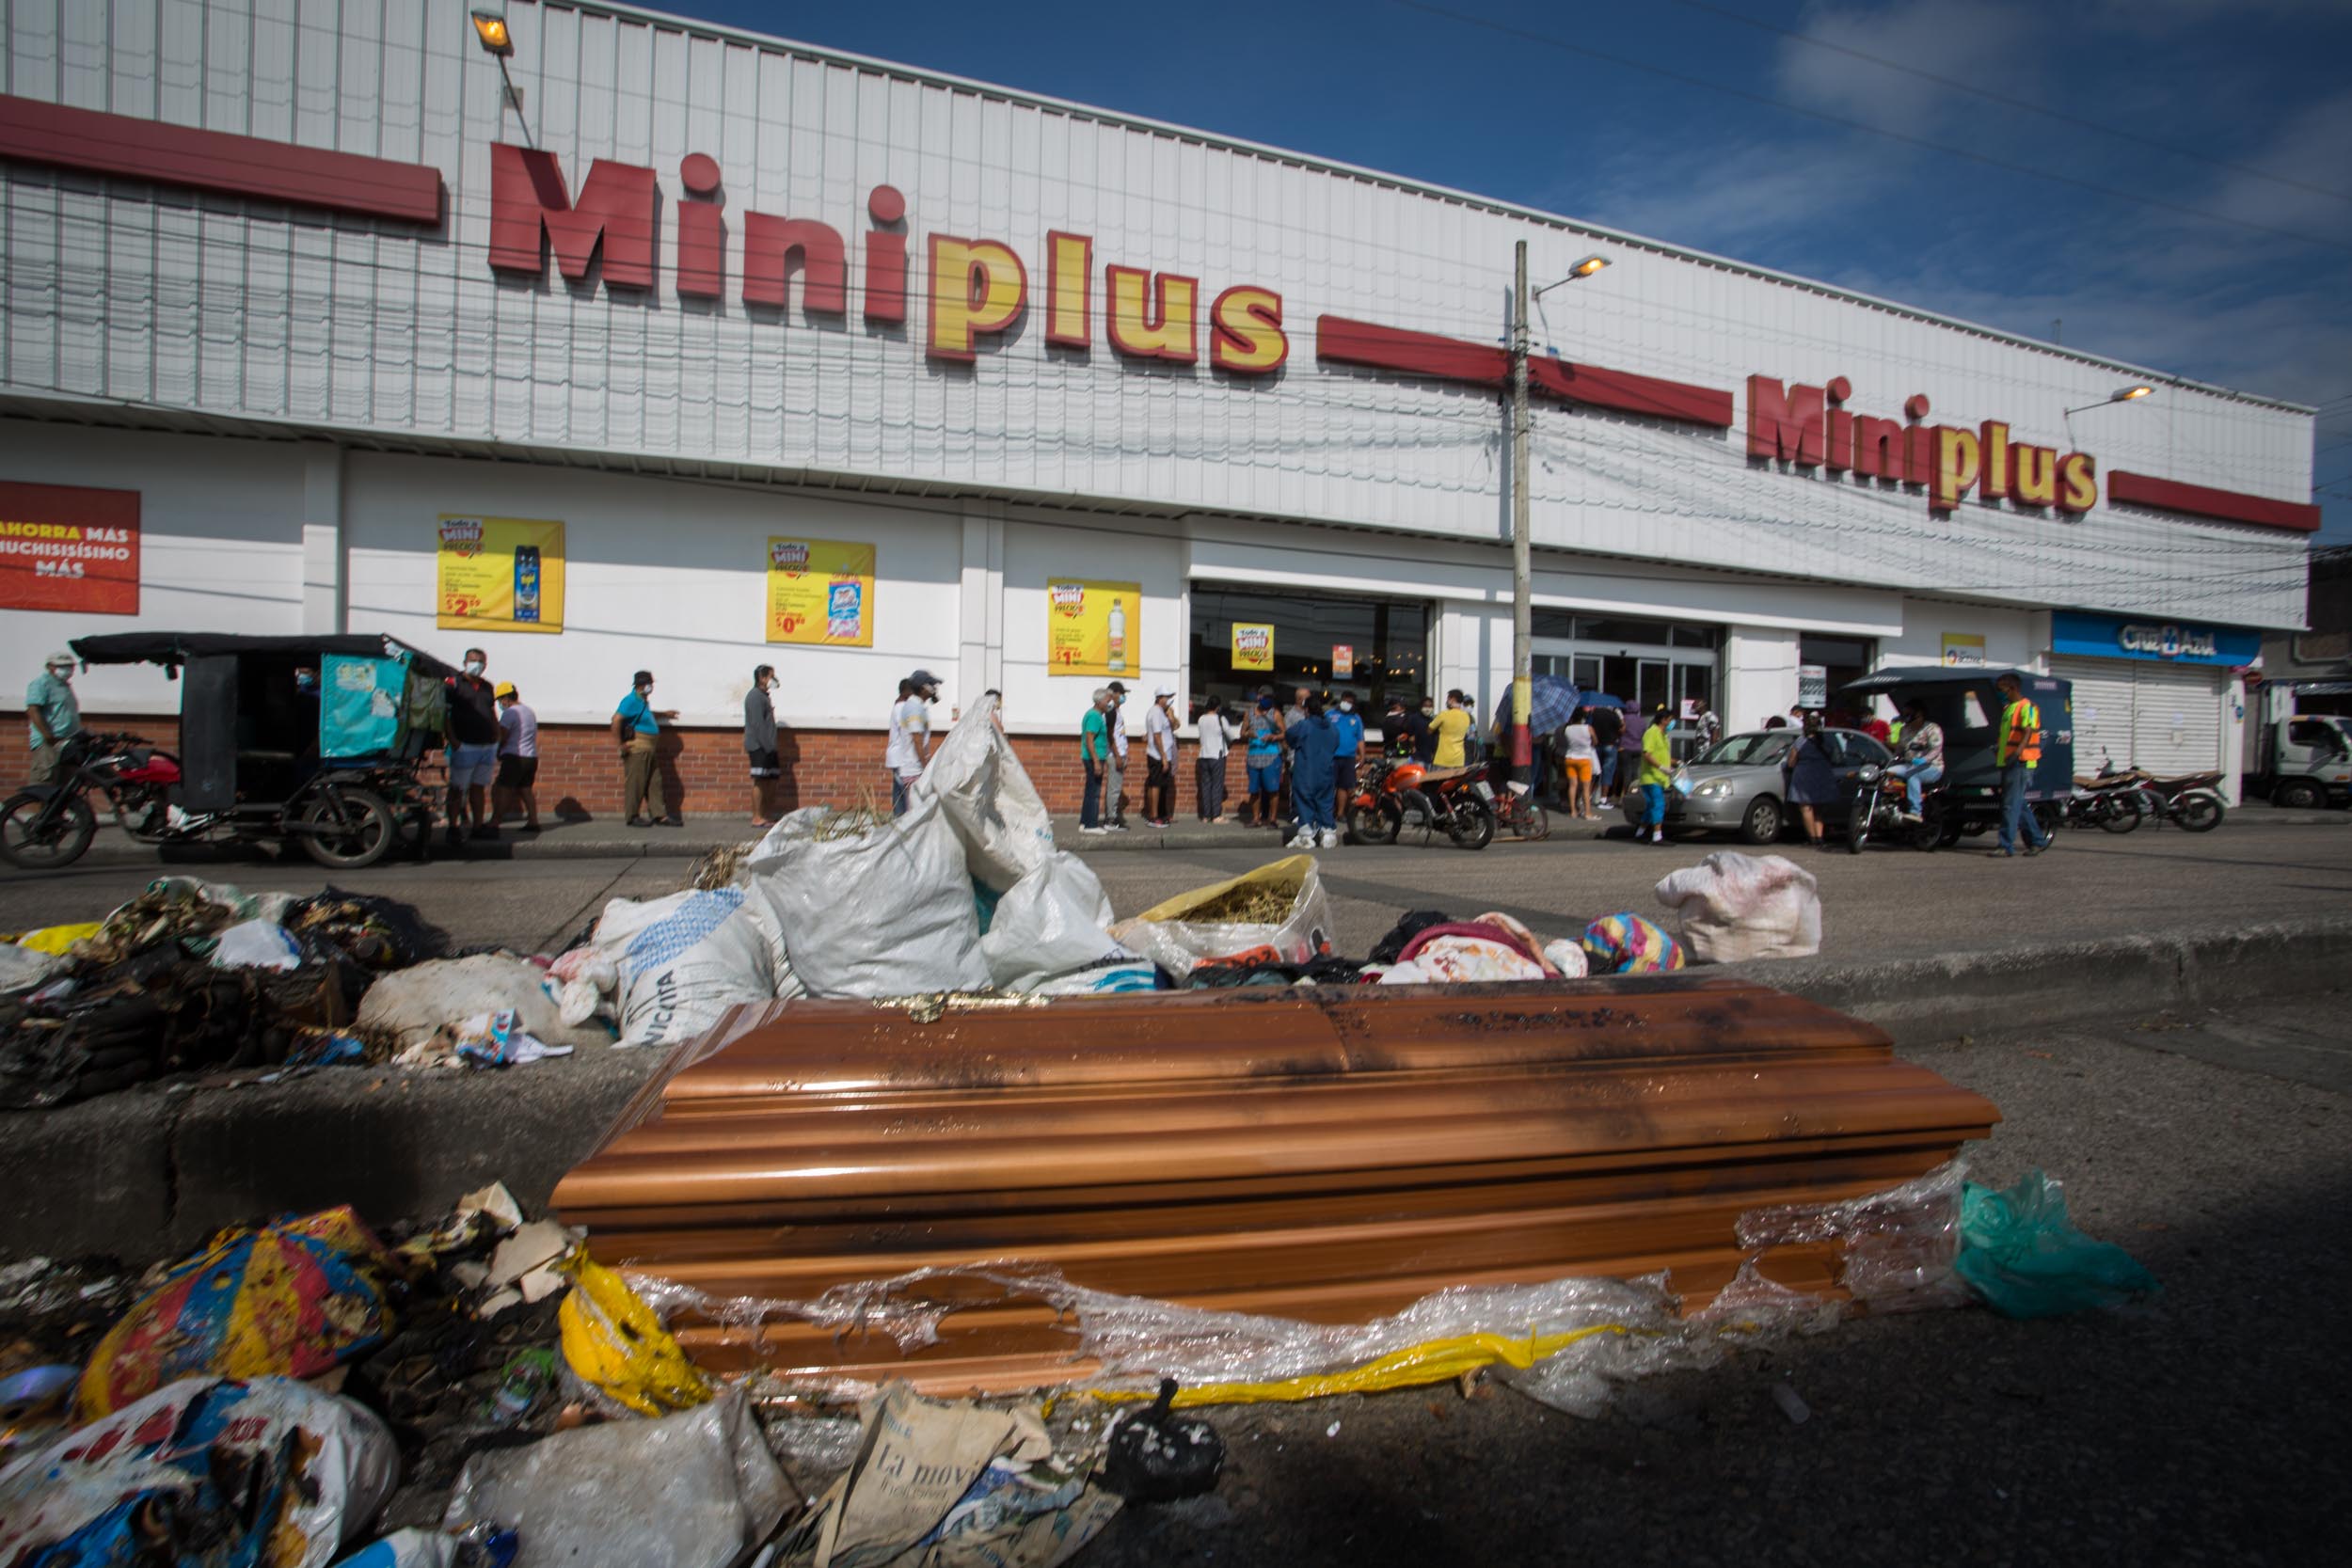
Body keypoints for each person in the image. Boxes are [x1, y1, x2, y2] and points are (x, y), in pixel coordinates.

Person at [444, 648, 500, 843]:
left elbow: (491, 712)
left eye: (480, 661)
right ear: (465, 662)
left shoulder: (487, 687)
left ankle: (477, 826)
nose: (477, 664)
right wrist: (454, 741)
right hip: (465, 744)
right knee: (458, 788)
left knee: (478, 787)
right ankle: (453, 826)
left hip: (486, 745)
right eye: (473, 660)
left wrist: (496, 734)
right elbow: (445, 715)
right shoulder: (454, 684)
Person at [1994, 672, 2051, 858]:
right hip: (2009, 762)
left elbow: (2028, 732)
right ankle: (2037, 840)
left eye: (2002, 689)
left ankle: (2005, 845)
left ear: (2013, 688)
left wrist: (2017, 753)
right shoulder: (2008, 708)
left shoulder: (2028, 707)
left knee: (2010, 805)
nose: (2000, 692)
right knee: (2018, 804)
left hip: (2021, 762)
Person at [614, 670, 681, 827]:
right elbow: (616, 720)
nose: (651, 687)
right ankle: (632, 816)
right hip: (637, 749)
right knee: (636, 783)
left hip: (650, 748)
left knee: (654, 782)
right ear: (641, 685)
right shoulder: (630, 701)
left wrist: (664, 714)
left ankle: (659, 815)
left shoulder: (642, 701)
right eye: (649, 684)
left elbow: (646, 715)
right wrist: (620, 744)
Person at [1285, 692, 1342, 849]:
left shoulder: (1305, 725)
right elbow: (1336, 743)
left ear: (1307, 710)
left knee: (1305, 801)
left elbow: (1289, 736)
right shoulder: (1332, 727)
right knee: (1325, 802)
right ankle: (1328, 834)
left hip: (1306, 771)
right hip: (1326, 772)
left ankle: (1306, 835)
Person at [1778, 712, 1839, 848]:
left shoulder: (1801, 741)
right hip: (1823, 774)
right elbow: (1835, 757)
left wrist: (1791, 766)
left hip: (1804, 775)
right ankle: (1819, 837)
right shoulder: (1827, 741)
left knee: (1806, 807)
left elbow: (1791, 762)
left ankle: (1812, 838)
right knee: (1819, 808)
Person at [886, 670, 941, 816]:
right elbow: (916, 739)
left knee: (915, 812)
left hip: (914, 767)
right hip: (914, 769)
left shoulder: (917, 706)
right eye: (931, 686)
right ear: (923, 688)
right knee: (914, 815)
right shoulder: (914, 708)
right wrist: (925, 767)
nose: (934, 689)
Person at [24, 651, 80, 784]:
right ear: (49, 666)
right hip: (49, 743)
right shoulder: (41, 683)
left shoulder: (65, 686)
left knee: (65, 786)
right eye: (62, 666)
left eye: (70, 666)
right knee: (44, 784)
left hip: (66, 743)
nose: (67, 669)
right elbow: (33, 710)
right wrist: (48, 736)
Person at [492, 681, 541, 832]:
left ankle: (495, 821)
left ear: (506, 698)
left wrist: (497, 750)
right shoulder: (529, 711)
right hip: (531, 757)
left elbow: (503, 735)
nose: (500, 704)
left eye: (500, 700)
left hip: (515, 756)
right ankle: (533, 821)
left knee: (503, 788)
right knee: (526, 789)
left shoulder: (510, 713)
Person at [1886, 699, 1945, 820]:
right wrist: (1890, 762)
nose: (1906, 717)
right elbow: (1899, 750)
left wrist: (1924, 759)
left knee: (1913, 775)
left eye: (1909, 714)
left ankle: (1916, 812)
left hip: (1931, 767)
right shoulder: (1904, 730)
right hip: (1909, 765)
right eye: (1904, 714)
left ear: (1919, 714)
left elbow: (1936, 749)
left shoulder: (1932, 728)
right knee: (1885, 773)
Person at [744, 664, 782, 827]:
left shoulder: (763, 696)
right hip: (760, 747)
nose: (774, 680)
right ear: (763, 678)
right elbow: (758, 725)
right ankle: (757, 817)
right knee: (760, 781)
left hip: (770, 747)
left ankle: (766, 815)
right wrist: (767, 747)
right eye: (771, 677)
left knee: (771, 781)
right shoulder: (754, 697)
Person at [1636, 703, 1675, 846]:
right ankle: (1657, 836)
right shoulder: (1652, 733)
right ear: (1663, 720)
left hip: (1658, 777)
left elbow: (1662, 755)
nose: (1671, 723)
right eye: (1670, 720)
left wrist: (1676, 762)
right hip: (1651, 777)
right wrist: (1661, 767)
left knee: (1651, 806)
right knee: (1659, 804)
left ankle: (1640, 833)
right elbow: (1647, 753)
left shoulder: (1663, 735)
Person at [1245, 694, 1284, 827]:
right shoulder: (1249, 713)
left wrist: (1273, 736)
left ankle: (1272, 819)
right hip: (1254, 755)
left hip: (1272, 755)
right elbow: (1242, 732)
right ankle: (1256, 818)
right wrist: (1248, 733)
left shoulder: (1275, 714)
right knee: (1254, 790)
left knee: (1273, 789)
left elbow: (1284, 733)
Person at [1194, 696, 1235, 823]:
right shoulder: (1220, 719)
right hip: (1217, 755)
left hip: (1203, 755)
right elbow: (1231, 736)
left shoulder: (1201, 719)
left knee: (1205, 786)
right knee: (1217, 786)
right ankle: (1216, 815)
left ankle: (1206, 816)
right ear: (1218, 707)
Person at [1079, 688, 1113, 835]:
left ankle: (1085, 822)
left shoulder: (1096, 715)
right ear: (1099, 701)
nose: (1109, 703)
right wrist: (1097, 762)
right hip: (1094, 758)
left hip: (1094, 758)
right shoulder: (1094, 716)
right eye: (1108, 700)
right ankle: (1091, 824)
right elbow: (1089, 740)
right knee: (1094, 792)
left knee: (1090, 791)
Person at [1143, 686, 1178, 827]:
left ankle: (1162, 814)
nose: (1170, 700)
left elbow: (1174, 727)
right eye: (1167, 697)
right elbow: (1157, 736)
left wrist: (1171, 717)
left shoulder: (1163, 713)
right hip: (1157, 755)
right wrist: (1163, 757)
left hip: (1165, 755)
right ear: (1159, 698)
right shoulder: (1156, 712)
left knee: (1163, 786)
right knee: (1156, 785)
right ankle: (1153, 816)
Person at [1560, 707, 1599, 820]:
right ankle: (1587, 813)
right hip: (1584, 759)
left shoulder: (1567, 729)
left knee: (1573, 785)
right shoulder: (1588, 728)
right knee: (1586, 788)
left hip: (1570, 758)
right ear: (1583, 718)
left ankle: (1573, 811)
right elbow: (1595, 741)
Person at [1103, 681, 1130, 830]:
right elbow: (1110, 734)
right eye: (1122, 693)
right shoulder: (1111, 711)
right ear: (1114, 694)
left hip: (1119, 753)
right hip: (1114, 754)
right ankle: (1110, 820)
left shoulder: (1117, 711)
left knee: (1115, 787)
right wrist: (1118, 755)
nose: (1124, 696)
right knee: (1114, 788)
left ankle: (1112, 817)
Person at [1587, 703, 1623, 807]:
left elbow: (1588, 726)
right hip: (1610, 745)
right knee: (1608, 773)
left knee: (1594, 772)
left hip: (1596, 745)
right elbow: (1622, 729)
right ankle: (1603, 799)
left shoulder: (1594, 713)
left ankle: (1587, 796)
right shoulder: (1613, 714)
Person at [1332, 691, 1365, 803]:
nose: (1347, 703)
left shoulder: (1356, 718)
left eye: (1350, 702)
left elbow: (1360, 739)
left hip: (1349, 757)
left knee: (1344, 786)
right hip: (1332, 756)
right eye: (1345, 701)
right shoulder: (1330, 714)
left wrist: (1362, 756)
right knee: (1329, 785)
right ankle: (1326, 813)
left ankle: (1340, 814)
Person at [1430, 689, 1473, 768]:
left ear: (1452, 699)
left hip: (1443, 758)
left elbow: (1429, 730)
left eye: (1448, 699)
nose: (1447, 701)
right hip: (1459, 759)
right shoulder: (1467, 716)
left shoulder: (1443, 715)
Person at [1383, 694, 1429, 762]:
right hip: (1399, 757)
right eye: (1401, 705)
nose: (1404, 707)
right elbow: (1410, 736)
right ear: (1395, 706)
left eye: (1403, 705)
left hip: (1396, 755)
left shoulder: (1389, 718)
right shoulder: (1394, 719)